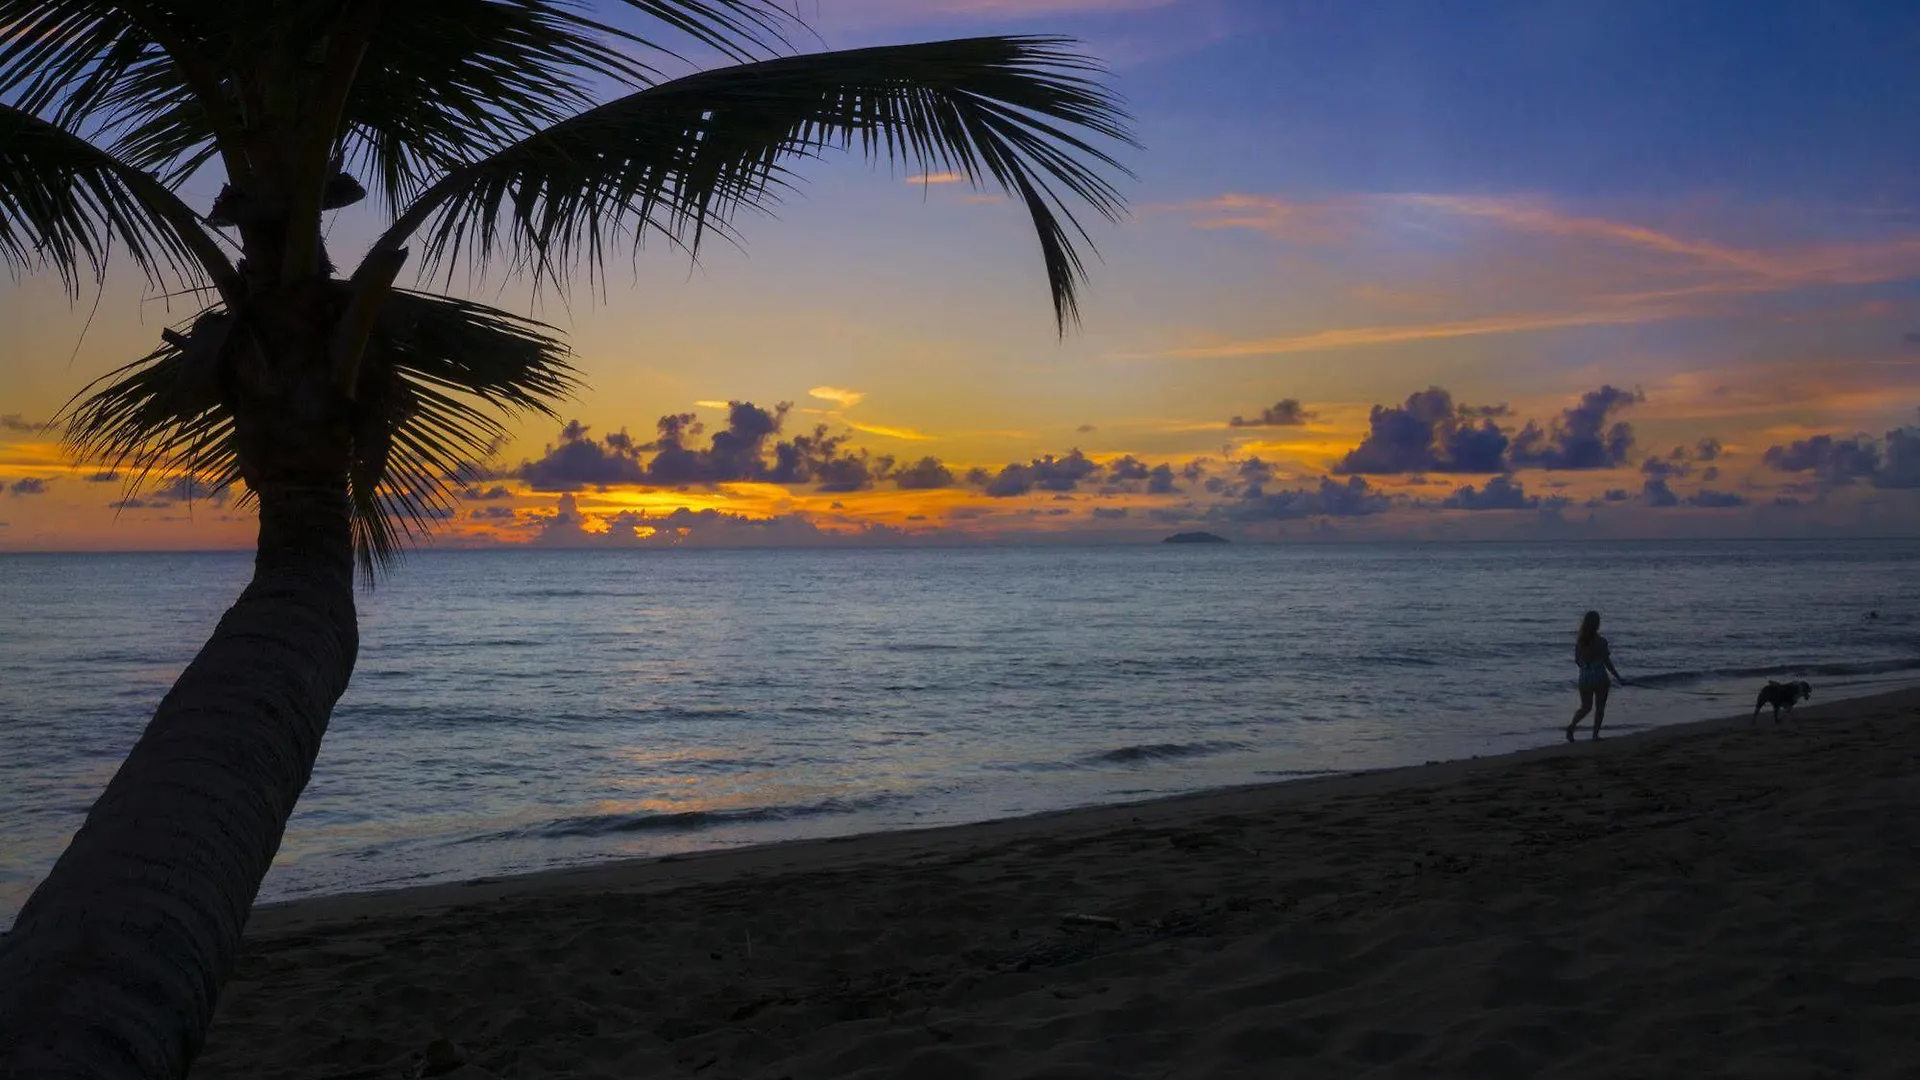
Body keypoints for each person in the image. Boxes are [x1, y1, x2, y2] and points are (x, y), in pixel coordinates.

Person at [1566, 610, 1624, 742]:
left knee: (1585, 707)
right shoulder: (1601, 642)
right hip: (1599, 678)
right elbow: (1607, 663)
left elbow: (1577, 661)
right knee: (1600, 708)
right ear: (1597, 624)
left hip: (1585, 678)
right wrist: (1618, 677)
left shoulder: (1579, 642)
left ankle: (1572, 726)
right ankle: (1595, 735)